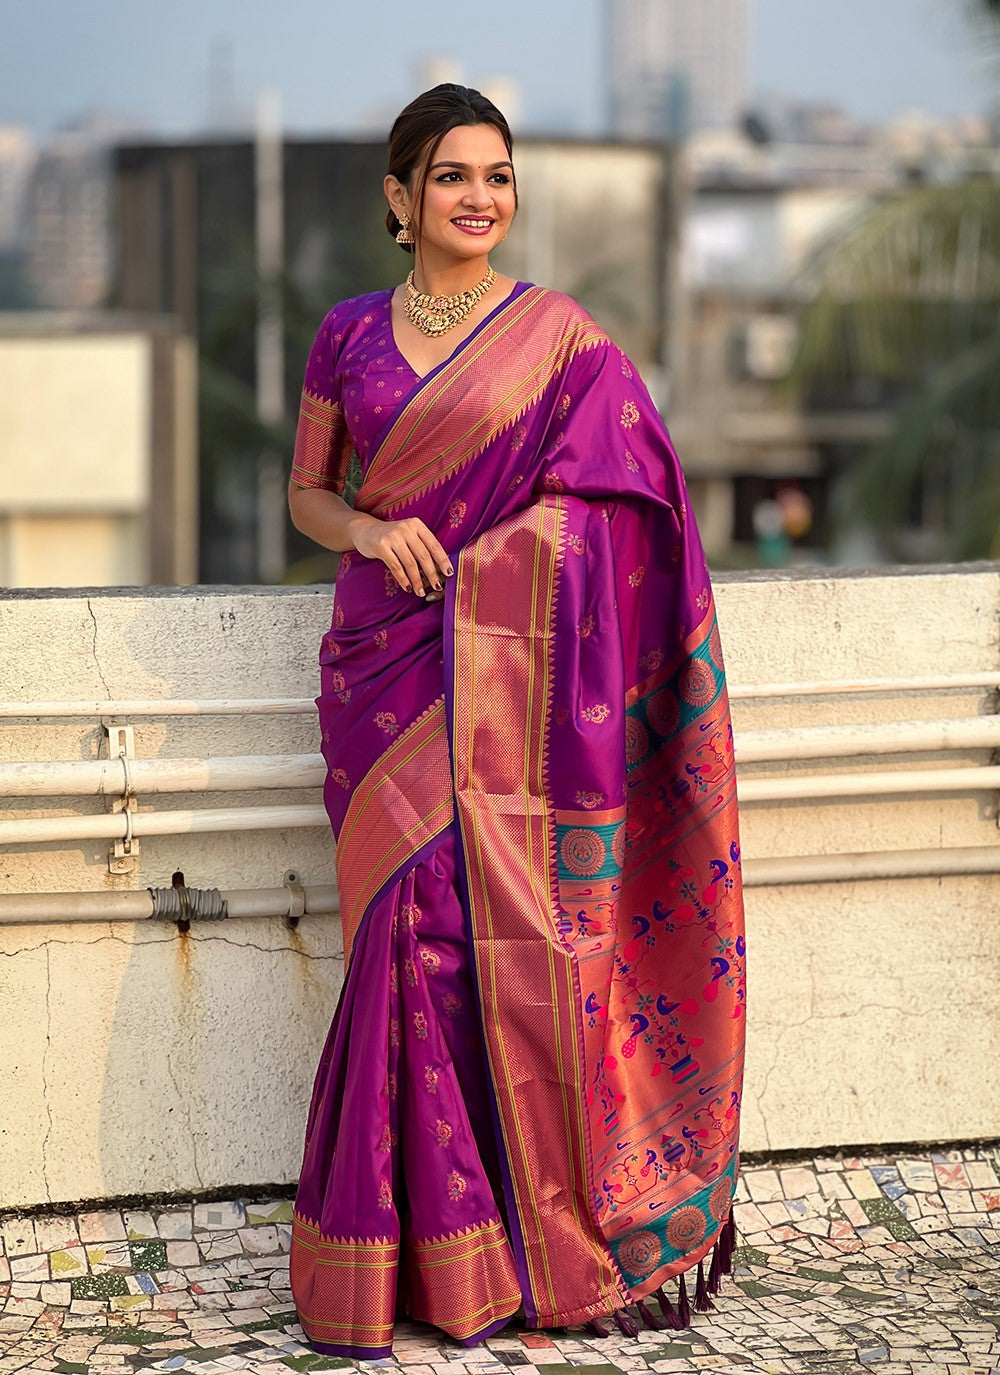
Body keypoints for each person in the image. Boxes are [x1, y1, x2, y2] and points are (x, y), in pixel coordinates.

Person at [286, 83, 746, 1361]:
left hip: (510, 682)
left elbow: (631, 497)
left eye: (495, 175)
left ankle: (497, 1254)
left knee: (468, 941)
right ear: (399, 197)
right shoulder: (347, 335)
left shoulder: (561, 341)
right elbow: (308, 494)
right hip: (380, 673)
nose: (478, 197)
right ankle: (402, 1266)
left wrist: (506, 561)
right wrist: (369, 528)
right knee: (397, 939)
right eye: (450, 176)